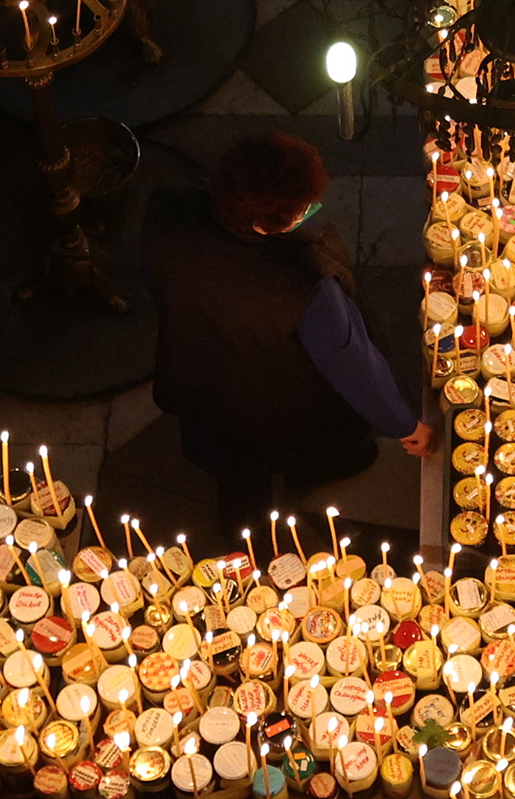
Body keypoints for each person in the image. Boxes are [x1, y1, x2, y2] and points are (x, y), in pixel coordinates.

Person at [149, 130, 424, 535]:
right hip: (281, 407)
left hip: (202, 387)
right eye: (305, 209)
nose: (310, 212)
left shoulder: (166, 215)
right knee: (316, 451)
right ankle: (306, 489)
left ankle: (241, 551)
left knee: (237, 481)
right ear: (270, 224)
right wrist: (406, 425)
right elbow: (352, 362)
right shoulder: (306, 285)